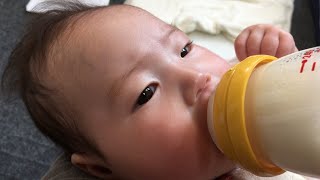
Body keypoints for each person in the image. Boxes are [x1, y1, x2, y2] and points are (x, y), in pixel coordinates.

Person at [1, 1, 299, 180]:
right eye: (146, 93)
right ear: (102, 169)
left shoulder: (242, 93)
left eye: (184, 49)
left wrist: (284, 72)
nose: (197, 77)